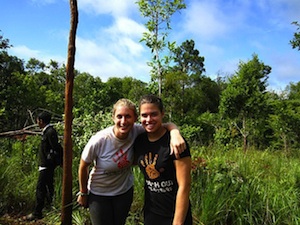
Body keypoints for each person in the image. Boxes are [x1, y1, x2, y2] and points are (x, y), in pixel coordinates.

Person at [77, 98, 186, 225]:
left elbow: (161, 125)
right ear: (113, 118)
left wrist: (175, 132)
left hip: (123, 192)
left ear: (135, 118)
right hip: (99, 193)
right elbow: (83, 166)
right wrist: (83, 192)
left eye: (128, 116)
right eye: (119, 116)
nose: (123, 121)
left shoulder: (137, 131)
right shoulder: (100, 140)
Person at [134, 95, 192, 225]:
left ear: (162, 114)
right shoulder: (139, 141)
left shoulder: (175, 144)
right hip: (151, 213)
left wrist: (177, 222)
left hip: (174, 214)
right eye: (144, 115)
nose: (149, 119)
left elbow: (185, 185)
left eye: (154, 114)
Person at [26, 111, 61, 221]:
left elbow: (56, 148)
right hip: (45, 165)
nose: (37, 122)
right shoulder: (47, 132)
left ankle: (37, 213)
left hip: (46, 166)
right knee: (48, 188)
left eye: (38, 120)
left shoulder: (50, 132)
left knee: (40, 189)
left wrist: (51, 161)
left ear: (41, 121)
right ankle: (49, 210)